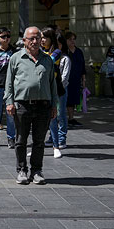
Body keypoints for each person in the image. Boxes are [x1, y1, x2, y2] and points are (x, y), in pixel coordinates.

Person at [5, 26, 58, 185]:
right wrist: (9, 102)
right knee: (20, 140)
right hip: (22, 105)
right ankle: (21, 170)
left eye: (38, 38)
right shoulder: (16, 58)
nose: (35, 41)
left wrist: (54, 105)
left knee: (39, 141)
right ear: (24, 41)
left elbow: (52, 84)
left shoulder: (47, 59)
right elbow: (9, 83)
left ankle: (36, 170)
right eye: (31, 39)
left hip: (43, 106)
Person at [42, 28, 71, 158]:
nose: (41, 40)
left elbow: (47, 62)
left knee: (57, 116)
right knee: (46, 119)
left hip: (56, 90)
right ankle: (48, 143)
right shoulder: (42, 52)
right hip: (43, 89)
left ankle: (58, 143)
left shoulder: (57, 53)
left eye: (44, 37)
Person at [64, 32, 86, 126]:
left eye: (73, 39)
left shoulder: (79, 51)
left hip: (76, 79)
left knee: (73, 99)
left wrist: (83, 80)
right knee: (65, 99)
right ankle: (61, 118)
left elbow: (83, 67)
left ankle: (71, 118)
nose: (72, 41)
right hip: (66, 80)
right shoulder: (64, 52)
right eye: (70, 39)